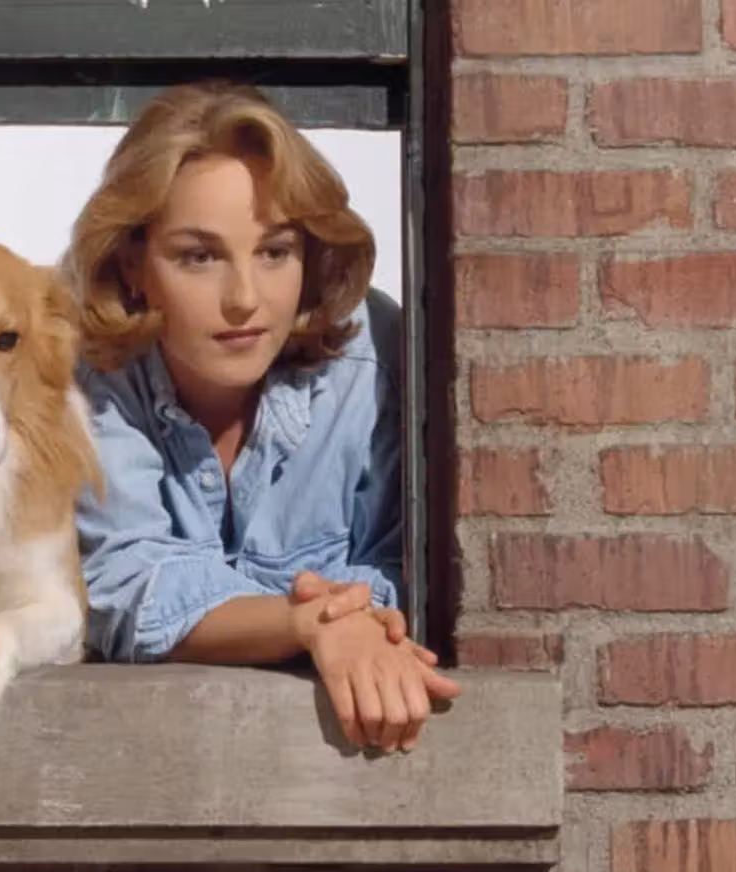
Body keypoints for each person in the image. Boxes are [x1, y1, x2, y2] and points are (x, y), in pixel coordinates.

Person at [64, 81, 461, 751]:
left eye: (275, 251)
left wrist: (336, 619)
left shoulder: (377, 357)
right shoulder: (90, 376)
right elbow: (128, 586)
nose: (245, 299)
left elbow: (404, 573)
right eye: (199, 256)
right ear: (133, 265)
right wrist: (311, 625)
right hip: (141, 756)